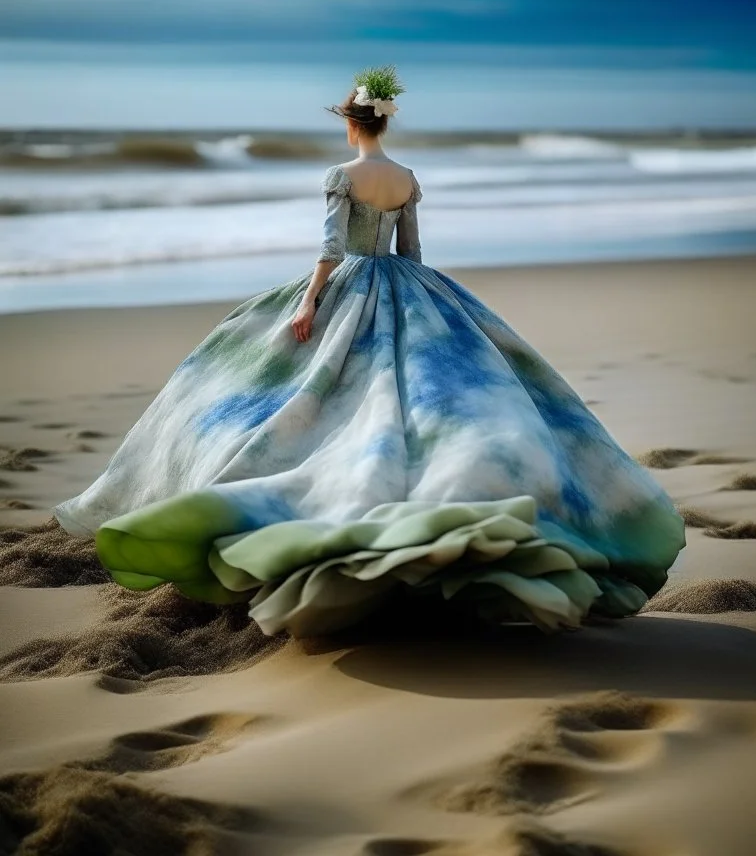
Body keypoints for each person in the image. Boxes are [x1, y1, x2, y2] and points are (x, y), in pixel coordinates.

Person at [54, 66, 685, 637]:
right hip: (411, 287)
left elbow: (332, 247)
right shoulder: (406, 179)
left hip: (350, 281)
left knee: (300, 379)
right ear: (381, 120)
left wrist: (307, 304)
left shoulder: (340, 176)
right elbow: (411, 253)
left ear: (351, 124)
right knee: (416, 381)